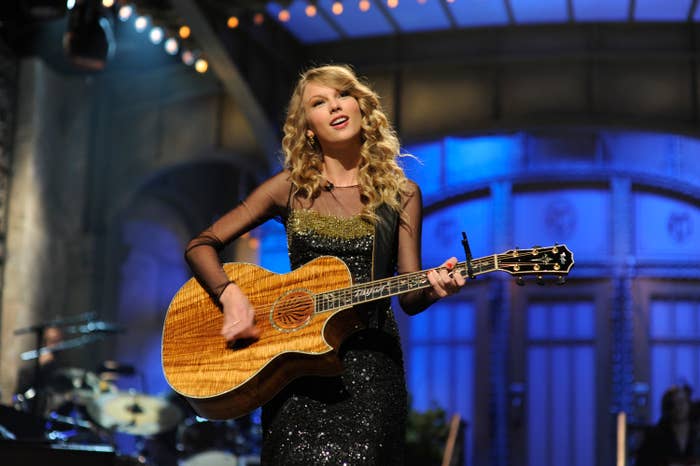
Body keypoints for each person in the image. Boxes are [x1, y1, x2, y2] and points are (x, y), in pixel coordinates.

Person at [184, 64, 466, 465]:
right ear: (308, 128)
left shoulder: (402, 194)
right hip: (294, 372)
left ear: (361, 107)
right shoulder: (289, 189)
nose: (335, 105)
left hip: (370, 375)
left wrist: (437, 287)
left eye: (343, 95)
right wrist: (230, 295)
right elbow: (201, 245)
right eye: (320, 102)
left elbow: (409, 295)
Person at [636, 385, 700, 466]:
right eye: (673, 404)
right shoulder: (655, 436)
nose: (678, 407)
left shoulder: (697, 433)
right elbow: (643, 461)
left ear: (689, 404)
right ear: (667, 407)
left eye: (681, 402)